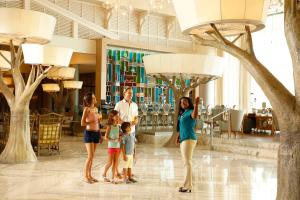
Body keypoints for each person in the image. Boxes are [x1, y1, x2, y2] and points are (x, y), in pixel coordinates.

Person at [176, 96, 199, 193]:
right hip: (183, 138)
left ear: (189, 103)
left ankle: (188, 186)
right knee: (186, 162)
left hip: (189, 139)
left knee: (187, 162)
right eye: (181, 102)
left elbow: (195, 115)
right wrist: (178, 135)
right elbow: (182, 126)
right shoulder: (183, 113)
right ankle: (186, 184)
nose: (183, 103)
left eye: (185, 102)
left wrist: (196, 105)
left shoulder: (190, 111)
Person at [114, 87, 139, 177]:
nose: (130, 95)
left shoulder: (135, 105)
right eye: (129, 93)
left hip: (131, 132)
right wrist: (124, 124)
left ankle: (126, 170)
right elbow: (115, 117)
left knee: (129, 153)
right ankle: (116, 171)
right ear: (124, 93)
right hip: (121, 132)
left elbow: (136, 117)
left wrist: (134, 122)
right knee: (118, 153)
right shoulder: (119, 104)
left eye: (132, 93)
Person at [81, 93, 102, 184]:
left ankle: (90, 175)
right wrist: (92, 121)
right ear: (89, 100)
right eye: (93, 97)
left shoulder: (96, 109)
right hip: (89, 133)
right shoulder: (87, 109)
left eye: (94, 97)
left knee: (92, 157)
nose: (95, 98)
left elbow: (98, 122)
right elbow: (82, 123)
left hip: (97, 133)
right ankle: (85, 176)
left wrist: (100, 134)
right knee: (90, 156)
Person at [102, 110, 122, 184]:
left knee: (115, 162)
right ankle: (104, 174)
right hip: (111, 146)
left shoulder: (118, 126)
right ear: (112, 117)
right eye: (116, 115)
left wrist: (119, 138)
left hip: (117, 146)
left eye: (118, 115)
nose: (118, 117)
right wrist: (113, 139)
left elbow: (119, 135)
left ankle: (113, 178)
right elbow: (105, 137)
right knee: (110, 162)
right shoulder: (109, 126)